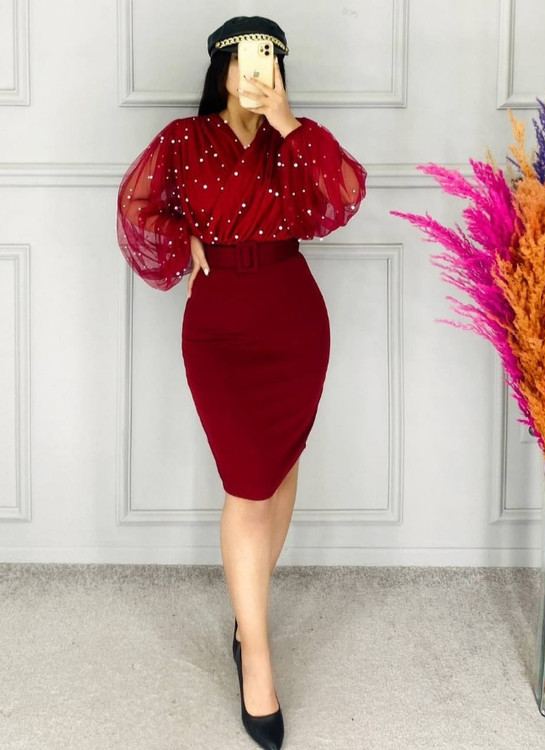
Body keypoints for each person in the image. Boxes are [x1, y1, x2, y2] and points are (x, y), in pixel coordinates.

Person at [117, 15, 366, 750]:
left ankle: (245, 620)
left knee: (280, 472)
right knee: (246, 486)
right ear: (221, 68)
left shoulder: (297, 140)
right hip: (219, 325)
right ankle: (256, 657)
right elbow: (136, 209)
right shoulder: (182, 140)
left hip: (293, 317)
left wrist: (287, 120)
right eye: (246, 59)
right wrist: (182, 236)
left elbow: (344, 196)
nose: (257, 72)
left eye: (270, 61)